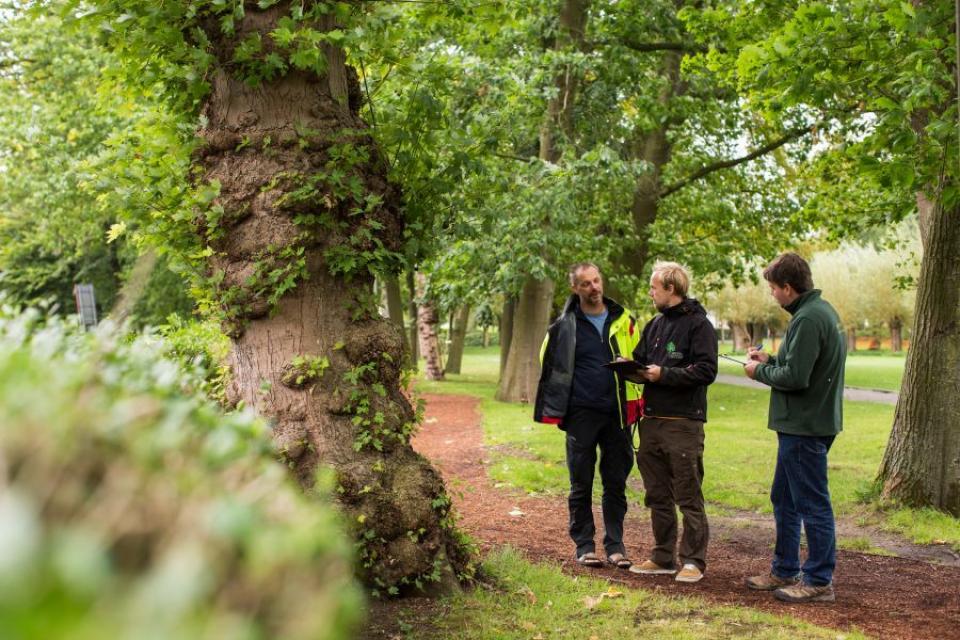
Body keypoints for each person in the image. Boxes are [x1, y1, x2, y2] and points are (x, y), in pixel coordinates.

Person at [743, 252, 845, 603]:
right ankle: (784, 568)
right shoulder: (821, 312)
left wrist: (758, 371)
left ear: (788, 287)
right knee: (785, 498)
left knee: (812, 504)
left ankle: (818, 579)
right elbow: (801, 363)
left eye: (773, 288)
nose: (772, 294)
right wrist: (770, 359)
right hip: (806, 423)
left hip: (805, 426)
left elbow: (796, 377)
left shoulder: (808, 318)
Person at [534, 262, 643, 568]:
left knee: (615, 482)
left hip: (617, 414)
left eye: (596, 281)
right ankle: (584, 545)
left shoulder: (624, 320)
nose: (594, 288)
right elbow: (548, 363)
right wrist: (563, 404)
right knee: (580, 483)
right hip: (581, 415)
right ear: (575, 288)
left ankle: (616, 546)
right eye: (586, 284)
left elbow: (640, 359)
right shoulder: (563, 326)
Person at [628, 261, 718, 583]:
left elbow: (706, 370)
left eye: (654, 287)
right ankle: (662, 556)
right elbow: (641, 360)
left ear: (671, 288)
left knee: (688, 494)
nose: (650, 293)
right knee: (657, 494)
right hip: (650, 422)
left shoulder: (699, 325)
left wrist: (664, 374)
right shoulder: (654, 325)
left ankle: (693, 561)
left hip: (683, 424)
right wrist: (629, 368)